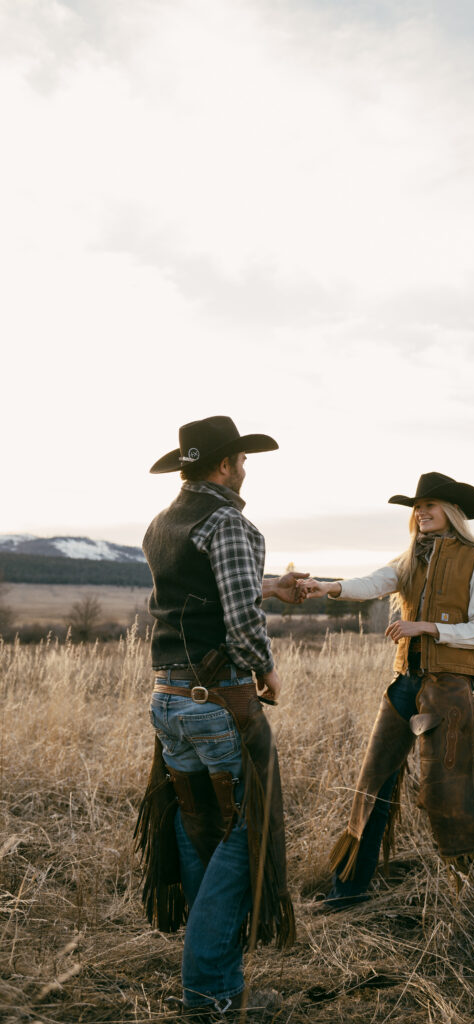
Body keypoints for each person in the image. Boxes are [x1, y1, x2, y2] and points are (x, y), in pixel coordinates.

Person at [135, 415, 305, 1021]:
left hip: (169, 700)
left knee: (198, 824)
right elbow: (236, 619)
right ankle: (209, 994)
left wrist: (273, 588)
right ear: (227, 464)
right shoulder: (229, 522)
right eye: (241, 461)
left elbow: (202, 593)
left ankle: (219, 984)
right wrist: (266, 668)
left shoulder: (164, 523)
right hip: (221, 702)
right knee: (242, 836)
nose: (244, 471)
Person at [300, 472, 474, 917]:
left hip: (448, 688)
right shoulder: (408, 559)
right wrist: (328, 587)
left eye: (429, 505)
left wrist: (426, 627)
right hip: (405, 684)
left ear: (450, 513)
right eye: (416, 506)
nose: (420, 512)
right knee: (372, 786)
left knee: (451, 794)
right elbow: (372, 583)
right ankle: (349, 891)